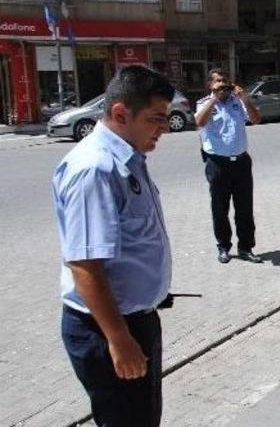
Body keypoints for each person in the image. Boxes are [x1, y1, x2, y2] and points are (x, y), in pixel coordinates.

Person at [52, 66, 175, 426]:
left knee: (142, 417)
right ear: (121, 113)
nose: (165, 128)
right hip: (107, 329)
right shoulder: (95, 169)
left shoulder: (128, 159)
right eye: (156, 118)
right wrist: (119, 339)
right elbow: (85, 265)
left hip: (134, 321)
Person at [195, 68, 263, 264]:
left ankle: (246, 248)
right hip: (218, 164)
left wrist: (245, 99)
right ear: (210, 85)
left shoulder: (237, 102)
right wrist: (214, 99)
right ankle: (223, 247)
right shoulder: (204, 103)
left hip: (241, 162)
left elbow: (256, 119)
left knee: (244, 209)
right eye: (217, 81)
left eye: (225, 80)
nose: (222, 84)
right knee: (220, 209)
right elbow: (199, 122)